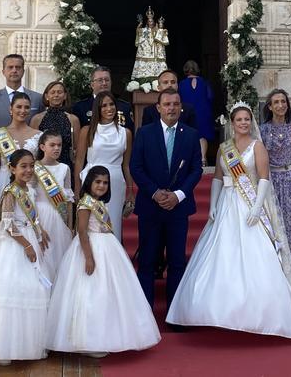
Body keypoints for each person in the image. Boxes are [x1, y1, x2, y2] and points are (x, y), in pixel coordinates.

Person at [167, 103, 291, 346]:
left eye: (247, 119)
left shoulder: (258, 146)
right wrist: (212, 205)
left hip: (251, 204)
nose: (243, 123)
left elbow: (264, 178)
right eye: (239, 120)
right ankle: (220, 312)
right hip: (227, 205)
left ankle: (262, 314)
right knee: (221, 257)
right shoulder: (224, 148)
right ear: (232, 124)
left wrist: (256, 208)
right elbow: (216, 179)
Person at [45, 165, 161, 357]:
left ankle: (107, 335)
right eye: (97, 182)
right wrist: (89, 257)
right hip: (90, 247)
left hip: (107, 247)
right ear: (89, 182)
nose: (101, 185)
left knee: (108, 290)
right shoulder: (85, 204)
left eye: (105, 183)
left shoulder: (99, 203)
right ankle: (87, 340)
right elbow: (81, 231)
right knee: (89, 292)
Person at [0, 149, 52, 366]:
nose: (28, 170)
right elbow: (7, 223)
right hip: (15, 244)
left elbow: (33, 217)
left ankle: (27, 343)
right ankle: (3, 346)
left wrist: (40, 233)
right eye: (23, 166)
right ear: (12, 169)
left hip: (30, 237)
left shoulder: (29, 189)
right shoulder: (10, 191)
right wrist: (26, 245)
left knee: (32, 289)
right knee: (11, 290)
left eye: (31, 166)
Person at [130, 88, 203, 309]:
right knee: (147, 262)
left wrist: (178, 195)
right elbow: (136, 167)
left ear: (181, 107)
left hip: (178, 209)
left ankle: (175, 312)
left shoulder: (190, 135)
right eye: (167, 104)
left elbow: (196, 169)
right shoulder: (144, 133)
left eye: (176, 104)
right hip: (150, 207)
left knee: (177, 262)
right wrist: (155, 192)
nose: (172, 108)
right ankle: (145, 313)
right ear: (158, 107)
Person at [77, 92, 134, 241]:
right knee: (90, 225)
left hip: (115, 182)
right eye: (104, 105)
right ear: (98, 108)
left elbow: (126, 165)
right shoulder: (87, 131)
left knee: (112, 223)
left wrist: (130, 191)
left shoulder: (125, 133)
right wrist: (78, 190)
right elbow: (79, 161)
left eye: (111, 104)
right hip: (90, 181)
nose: (109, 108)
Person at [260, 89, 291, 278]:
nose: (280, 105)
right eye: (276, 102)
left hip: (289, 177)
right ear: (269, 106)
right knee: (272, 225)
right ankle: (274, 274)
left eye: (283, 101)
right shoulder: (263, 130)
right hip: (270, 180)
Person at [0, 54, 43, 167]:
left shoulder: (37, 98)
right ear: (3, 71)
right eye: (10, 67)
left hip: (30, 166)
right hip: (1, 163)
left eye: (18, 67)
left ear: (23, 71)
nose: (14, 70)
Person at [0, 91, 42, 202]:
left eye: (26, 107)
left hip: (30, 184)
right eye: (19, 107)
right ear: (10, 109)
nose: (23, 111)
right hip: (4, 182)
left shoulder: (39, 135)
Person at [32, 131, 74, 273]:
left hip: (59, 218)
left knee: (58, 255)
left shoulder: (65, 168)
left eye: (59, 145)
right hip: (40, 216)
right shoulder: (34, 168)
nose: (56, 148)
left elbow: (68, 199)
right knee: (44, 254)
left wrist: (70, 225)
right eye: (52, 145)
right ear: (42, 147)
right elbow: (29, 197)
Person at [30, 81, 81, 168]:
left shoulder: (73, 119)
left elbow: (77, 149)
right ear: (46, 96)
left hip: (65, 165)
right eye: (52, 92)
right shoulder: (37, 119)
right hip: (42, 167)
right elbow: (33, 146)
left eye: (59, 92)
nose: (56, 95)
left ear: (65, 96)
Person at [178, 60, 215, 147]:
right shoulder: (205, 82)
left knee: (188, 135)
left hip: (187, 112)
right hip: (203, 112)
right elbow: (210, 97)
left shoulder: (181, 84)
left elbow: (179, 99)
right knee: (202, 135)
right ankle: (203, 158)